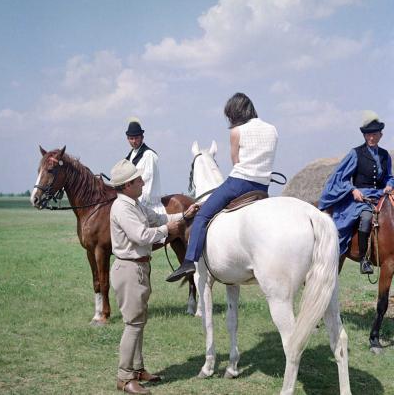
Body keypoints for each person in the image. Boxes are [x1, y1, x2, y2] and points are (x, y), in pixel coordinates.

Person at [166, 92, 279, 282]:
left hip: (238, 183)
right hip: (263, 187)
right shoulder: (272, 129)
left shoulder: (237, 131)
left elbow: (236, 161)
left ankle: (188, 262)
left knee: (202, 215)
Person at [109, 158, 198, 394]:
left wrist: (184, 215)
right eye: (138, 179)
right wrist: (168, 231)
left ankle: (137, 370)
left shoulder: (134, 204)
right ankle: (125, 378)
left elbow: (160, 218)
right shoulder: (122, 208)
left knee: (138, 321)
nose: (142, 181)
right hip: (129, 269)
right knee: (133, 324)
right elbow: (141, 235)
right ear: (127, 185)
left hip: (138, 268)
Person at [319, 110, 394, 274]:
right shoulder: (355, 154)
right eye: (368, 135)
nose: (371, 138)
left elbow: (389, 176)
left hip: (381, 197)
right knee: (366, 217)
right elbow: (340, 178)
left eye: (374, 134)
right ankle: (364, 259)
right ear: (365, 136)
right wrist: (352, 190)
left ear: (380, 135)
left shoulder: (385, 155)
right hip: (361, 199)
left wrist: (389, 185)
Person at [125, 118, 164, 214]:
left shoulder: (149, 155)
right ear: (128, 139)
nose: (134, 141)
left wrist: (137, 203)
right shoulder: (131, 155)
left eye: (136, 138)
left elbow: (147, 181)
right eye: (131, 138)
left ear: (142, 137)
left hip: (146, 204)